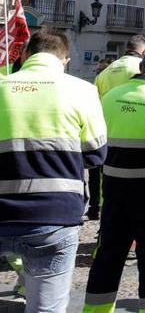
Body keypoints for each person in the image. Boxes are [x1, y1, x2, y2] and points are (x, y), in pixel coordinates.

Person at [0, 29, 108, 312]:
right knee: (46, 308)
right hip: (55, 217)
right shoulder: (83, 90)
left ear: (25, 55)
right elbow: (96, 154)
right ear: (65, 60)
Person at [83, 48, 145, 312]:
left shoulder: (108, 98)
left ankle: (96, 310)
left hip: (115, 190)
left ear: (142, 67)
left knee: (108, 255)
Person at [89, 35, 145, 220]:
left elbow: (95, 103)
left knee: (105, 176)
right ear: (144, 52)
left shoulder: (105, 72)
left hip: (107, 130)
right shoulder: (141, 69)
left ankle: (100, 208)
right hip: (136, 131)